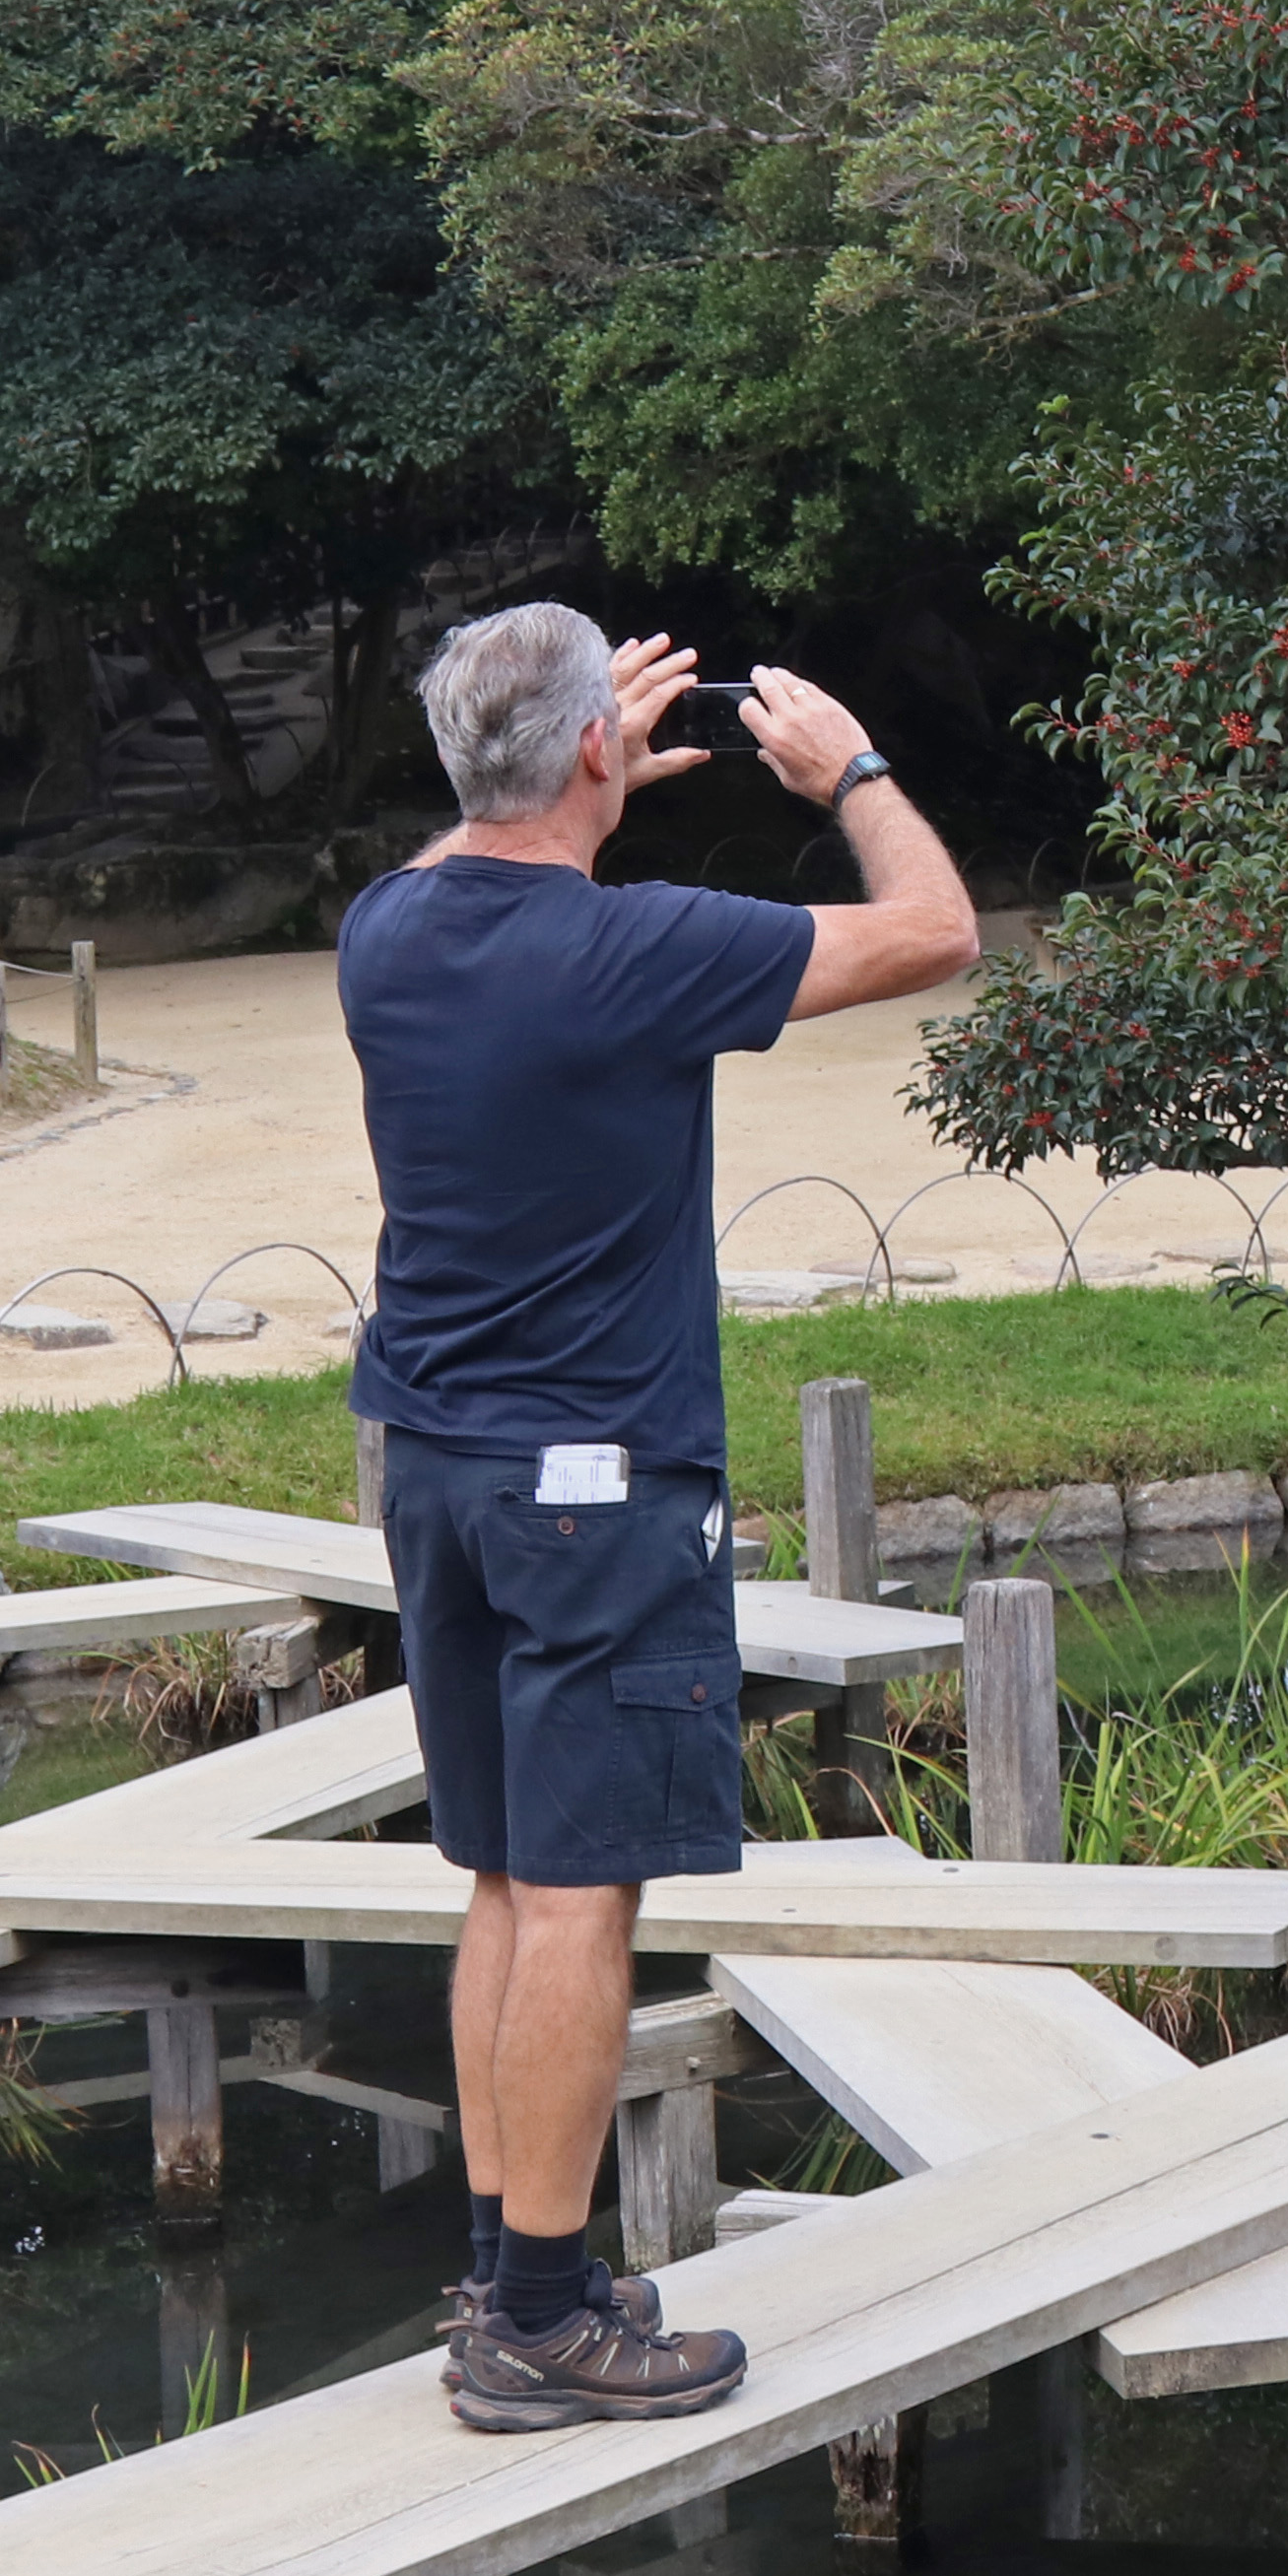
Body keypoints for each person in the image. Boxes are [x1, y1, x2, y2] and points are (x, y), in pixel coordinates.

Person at [338, 604, 979, 2433]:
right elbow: (935, 930)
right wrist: (846, 766)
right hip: (593, 1496)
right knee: (580, 1896)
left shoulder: (389, 932)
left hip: (440, 1481)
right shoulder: (629, 955)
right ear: (596, 761)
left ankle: (506, 2264)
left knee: (500, 1875)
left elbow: (462, 835)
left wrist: (567, 760)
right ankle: (544, 2329)